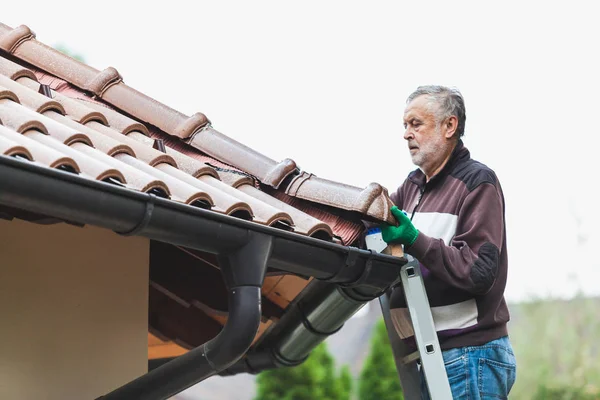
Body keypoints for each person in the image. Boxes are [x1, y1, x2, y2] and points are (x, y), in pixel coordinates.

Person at [379, 85, 516, 399]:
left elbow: (479, 272)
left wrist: (415, 240)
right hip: (430, 356)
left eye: (416, 124)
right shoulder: (411, 189)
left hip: (469, 354)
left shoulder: (477, 183)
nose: (406, 134)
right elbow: (376, 225)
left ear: (449, 126)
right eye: (404, 126)